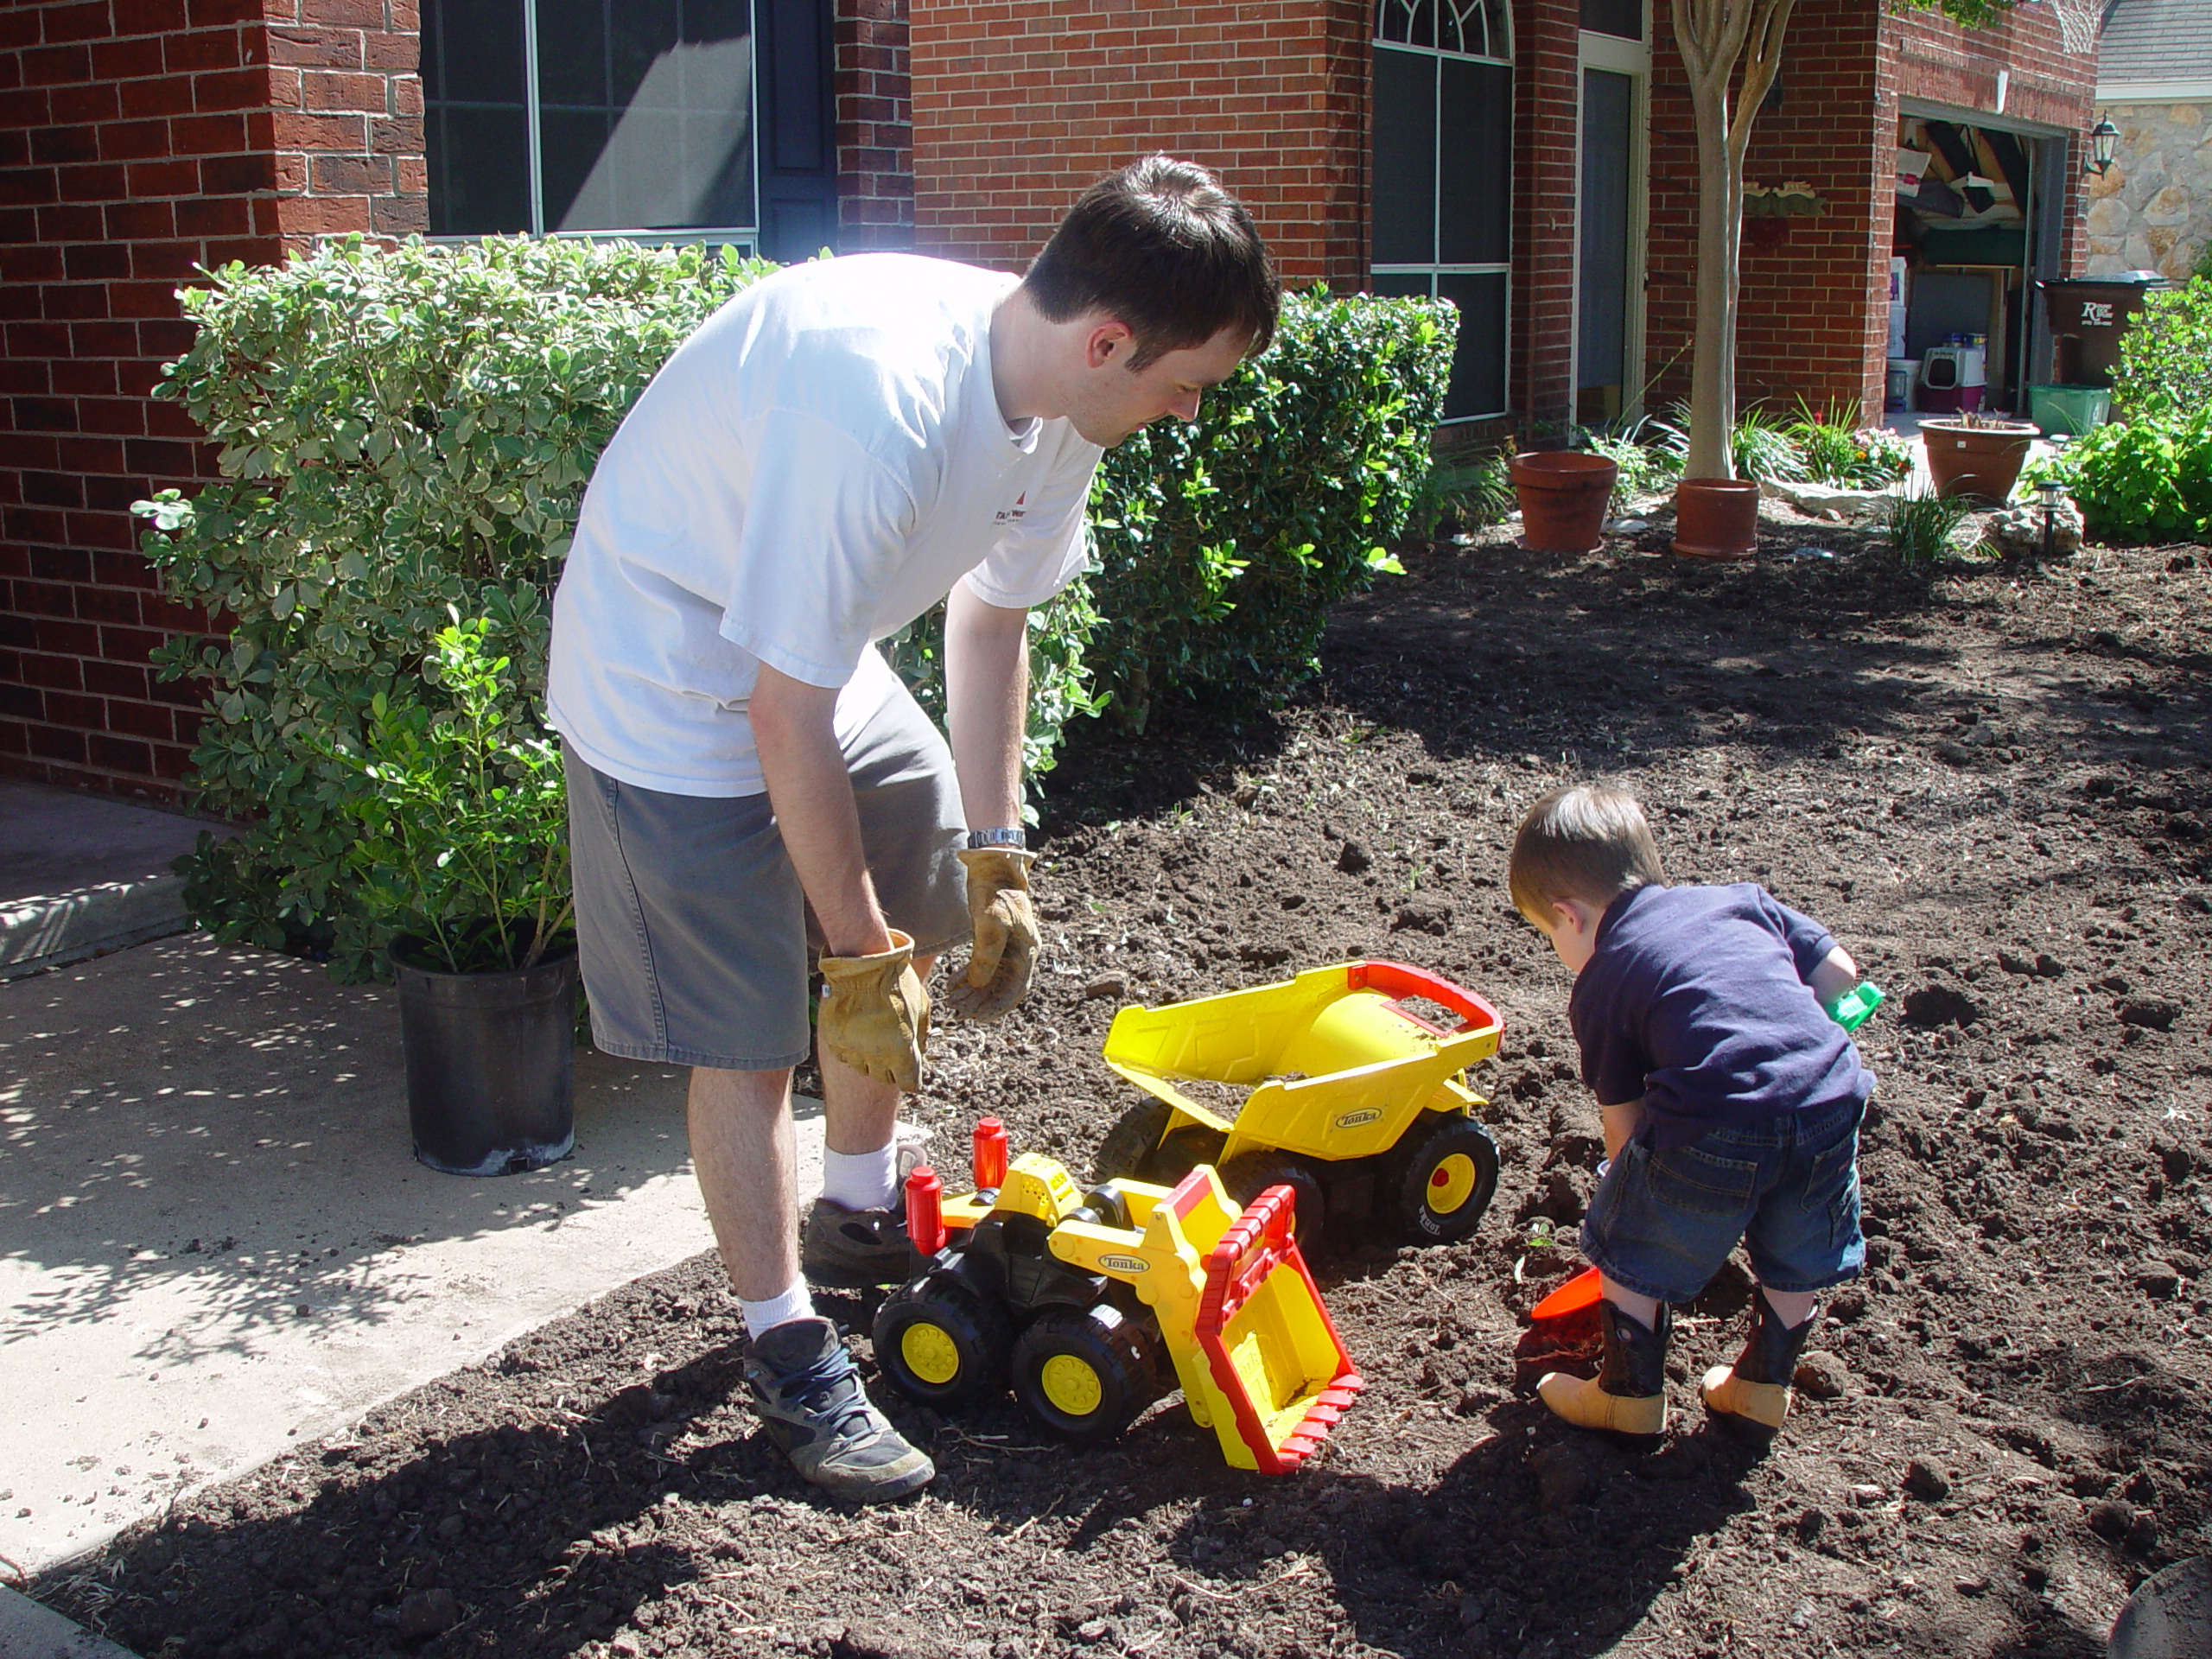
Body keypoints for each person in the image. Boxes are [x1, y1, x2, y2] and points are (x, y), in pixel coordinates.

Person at [545, 157, 1281, 1502]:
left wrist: (994, 847)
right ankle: (786, 1352)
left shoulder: (1063, 402)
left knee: (924, 864)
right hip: (669, 670)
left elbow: (992, 618)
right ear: (1111, 340)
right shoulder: (877, 409)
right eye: (1187, 384)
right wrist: (855, 955)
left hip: (812, 658)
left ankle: (859, 1203)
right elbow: (779, 714)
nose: (1186, 412)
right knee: (751, 1036)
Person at [1508, 784, 1872, 1442]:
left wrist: (1636, 1191)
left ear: (1570, 916)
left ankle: (1628, 1397)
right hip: (1829, 1098)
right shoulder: (1741, 901)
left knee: (1630, 1241)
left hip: (1715, 1122)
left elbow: (1623, 1125)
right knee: (1797, 1250)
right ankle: (1763, 1388)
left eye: (1548, 935)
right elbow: (1841, 972)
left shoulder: (1607, 975)